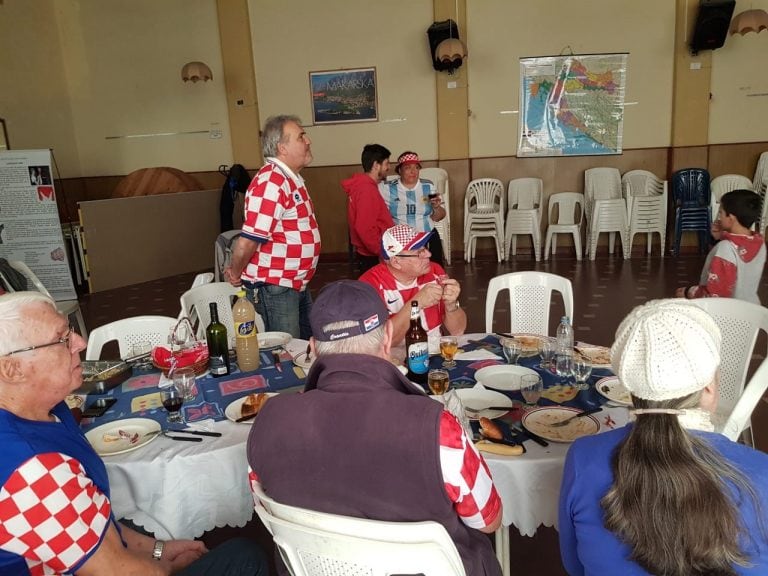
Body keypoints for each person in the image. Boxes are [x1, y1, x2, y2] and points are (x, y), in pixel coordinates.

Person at [0, 292, 269, 576]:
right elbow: (120, 571)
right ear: (12, 369)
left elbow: (95, 522)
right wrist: (162, 566)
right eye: (62, 338)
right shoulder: (33, 469)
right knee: (245, 557)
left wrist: (158, 549)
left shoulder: (49, 410)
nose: (79, 342)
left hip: (97, 555)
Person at [247, 280, 503, 576]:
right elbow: (488, 520)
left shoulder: (268, 420)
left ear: (314, 348)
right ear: (388, 338)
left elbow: (265, 502)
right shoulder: (439, 430)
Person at [559, 299, 768, 576]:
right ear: (708, 385)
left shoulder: (582, 458)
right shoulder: (761, 473)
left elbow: (574, 566)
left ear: (630, 388)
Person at [224, 114, 321, 339]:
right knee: (285, 352)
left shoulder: (289, 178)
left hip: (292, 283)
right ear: (282, 148)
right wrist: (236, 273)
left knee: (305, 346)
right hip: (275, 286)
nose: (308, 141)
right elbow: (247, 240)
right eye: (301, 137)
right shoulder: (271, 182)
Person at [359, 224, 466, 350]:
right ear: (396, 262)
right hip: (394, 359)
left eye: (425, 248)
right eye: (419, 252)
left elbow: (458, 331)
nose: (429, 254)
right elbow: (381, 342)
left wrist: (451, 305)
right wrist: (416, 303)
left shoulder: (435, 271)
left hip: (434, 352)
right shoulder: (369, 285)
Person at [675, 189, 765, 304]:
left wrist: (688, 292)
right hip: (750, 308)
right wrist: (721, 237)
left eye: (721, 212)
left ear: (731, 218)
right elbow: (741, 249)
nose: (719, 217)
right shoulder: (760, 243)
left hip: (727, 314)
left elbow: (715, 296)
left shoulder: (725, 249)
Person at [380, 151, 446, 264]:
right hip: (399, 240)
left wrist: (436, 207)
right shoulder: (386, 188)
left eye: (416, 167)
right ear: (399, 170)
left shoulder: (428, 186)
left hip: (426, 235)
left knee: (434, 269)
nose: (413, 171)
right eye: (407, 167)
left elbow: (439, 217)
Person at [341, 143, 394, 273]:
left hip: (372, 252)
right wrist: (382, 252)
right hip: (373, 255)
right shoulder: (366, 190)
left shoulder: (364, 186)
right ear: (376, 165)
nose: (389, 167)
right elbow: (364, 227)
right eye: (386, 163)